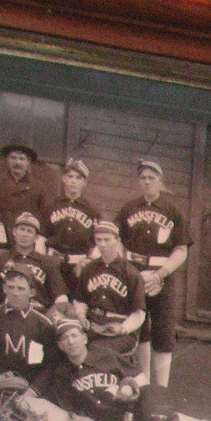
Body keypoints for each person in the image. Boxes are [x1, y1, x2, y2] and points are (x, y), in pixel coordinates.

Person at [46, 316, 211, 421]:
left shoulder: (105, 354)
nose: (71, 341)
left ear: (84, 338)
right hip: (122, 420)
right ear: (60, 346)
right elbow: (69, 409)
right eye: (65, 338)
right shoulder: (62, 374)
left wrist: (129, 389)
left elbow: (140, 380)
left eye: (74, 335)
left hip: (141, 403)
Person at [117, 159, 190, 388]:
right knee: (138, 327)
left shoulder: (172, 211)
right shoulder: (129, 209)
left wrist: (161, 274)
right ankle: (144, 383)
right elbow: (118, 240)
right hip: (135, 273)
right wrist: (127, 269)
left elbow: (181, 249)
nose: (147, 182)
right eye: (143, 178)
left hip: (162, 275)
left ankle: (161, 388)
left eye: (151, 178)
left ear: (160, 181)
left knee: (163, 330)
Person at [0, 266, 57, 391]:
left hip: (27, 384)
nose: (15, 293)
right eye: (11, 287)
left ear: (32, 292)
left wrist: (34, 389)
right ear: (4, 288)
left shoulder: (43, 323)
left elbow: (51, 362)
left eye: (21, 288)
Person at [71, 219, 145, 362]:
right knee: (68, 343)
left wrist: (123, 328)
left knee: (97, 351)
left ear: (117, 240)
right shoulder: (89, 268)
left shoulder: (131, 273)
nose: (102, 244)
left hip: (119, 329)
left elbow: (139, 313)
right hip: (92, 324)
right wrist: (80, 315)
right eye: (98, 240)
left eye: (107, 240)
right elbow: (80, 300)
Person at [0, 212, 70, 316]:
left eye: (29, 231)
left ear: (36, 237)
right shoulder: (1, 260)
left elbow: (60, 295)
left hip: (38, 313)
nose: (25, 234)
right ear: (14, 232)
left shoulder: (47, 263)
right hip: (7, 313)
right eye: (22, 229)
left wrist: (55, 314)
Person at [0, 143, 49, 253]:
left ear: (28, 162)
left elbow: (43, 217)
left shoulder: (38, 188)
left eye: (22, 159)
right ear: (7, 160)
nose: (17, 162)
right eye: (13, 158)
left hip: (25, 243)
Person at [45, 158, 100, 282]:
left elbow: (99, 241)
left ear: (84, 182)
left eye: (78, 178)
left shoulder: (92, 210)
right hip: (53, 263)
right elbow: (41, 236)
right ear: (64, 178)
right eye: (70, 176)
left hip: (78, 266)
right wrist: (43, 261)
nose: (73, 181)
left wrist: (89, 261)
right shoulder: (51, 205)